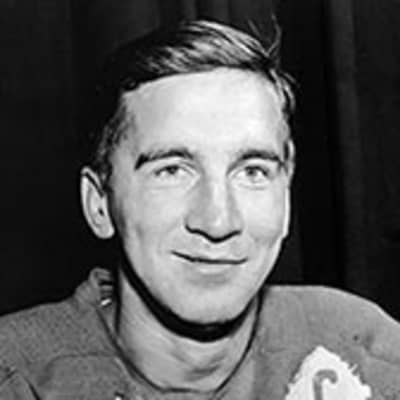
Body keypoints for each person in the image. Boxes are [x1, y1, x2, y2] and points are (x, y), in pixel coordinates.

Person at [0, 20, 400, 400]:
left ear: (286, 196)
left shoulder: (364, 353)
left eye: (252, 172)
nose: (218, 221)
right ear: (99, 203)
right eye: (172, 170)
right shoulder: (18, 377)